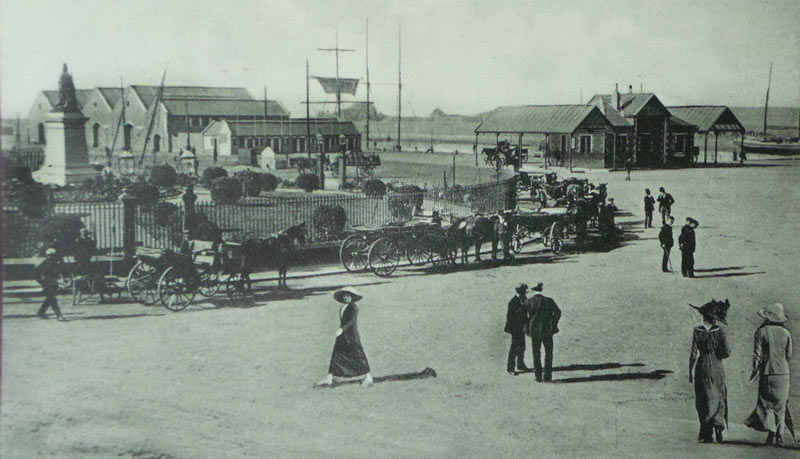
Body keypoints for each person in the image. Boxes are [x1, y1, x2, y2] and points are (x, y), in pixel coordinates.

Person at [745, 303, 795, 447]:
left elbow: (757, 355)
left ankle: (771, 432)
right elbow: (789, 355)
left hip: (767, 371)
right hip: (783, 372)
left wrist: (755, 370)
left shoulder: (761, 332)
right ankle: (779, 435)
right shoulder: (786, 333)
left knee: (766, 404)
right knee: (781, 405)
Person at [689, 299, 731, 443]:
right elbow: (726, 352)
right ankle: (718, 424)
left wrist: (690, 370)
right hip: (716, 365)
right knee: (719, 394)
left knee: (703, 396)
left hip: (702, 365)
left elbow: (693, 353)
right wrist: (717, 353)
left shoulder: (697, 331)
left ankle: (706, 431)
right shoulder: (719, 331)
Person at [317, 287, 373, 388]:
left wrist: (342, 329)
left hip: (351, 335)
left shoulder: (354, 307)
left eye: (347, 295)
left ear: (352, 297)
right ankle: (329, 377)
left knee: (358, 354)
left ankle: (368, 377)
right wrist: (341, 331)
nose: (345, 297)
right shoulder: (343, 307)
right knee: (336, 354)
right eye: (344, 296)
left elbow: (351, 321)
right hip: (342, 336)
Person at [525, 282, 561, 382]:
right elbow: (558, 312)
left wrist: (528, 326)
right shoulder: (548, 300)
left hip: (534, 331)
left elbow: (523, 316)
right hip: (547, 330)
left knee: (536, 353)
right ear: (541, 289)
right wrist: (553, 324)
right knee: (548, 353)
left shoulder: (528, 302)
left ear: (532, 290)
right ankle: (547, 376)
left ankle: (538, 376)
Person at [505, 284, 531, 375]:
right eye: (524, 293)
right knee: (514, 348)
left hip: (521, 327)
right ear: (520, 293)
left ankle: (520, 364)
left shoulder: (523, 299)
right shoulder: (513, 302)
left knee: (522, 346)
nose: (525, 295)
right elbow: (510, 317)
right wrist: (514, 330)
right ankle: (510, 367)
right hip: (515, 328)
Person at [35, 248, 66, 321]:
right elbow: (36, 274)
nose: (54, 256)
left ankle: (41, 312)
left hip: (52, 283)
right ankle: (59, 315)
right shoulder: (47, 263)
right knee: (52, 299)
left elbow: (60, 271)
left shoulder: (52, 263)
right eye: (52, 255)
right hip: (48, 283)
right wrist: (41, 282)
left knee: (50, 299)